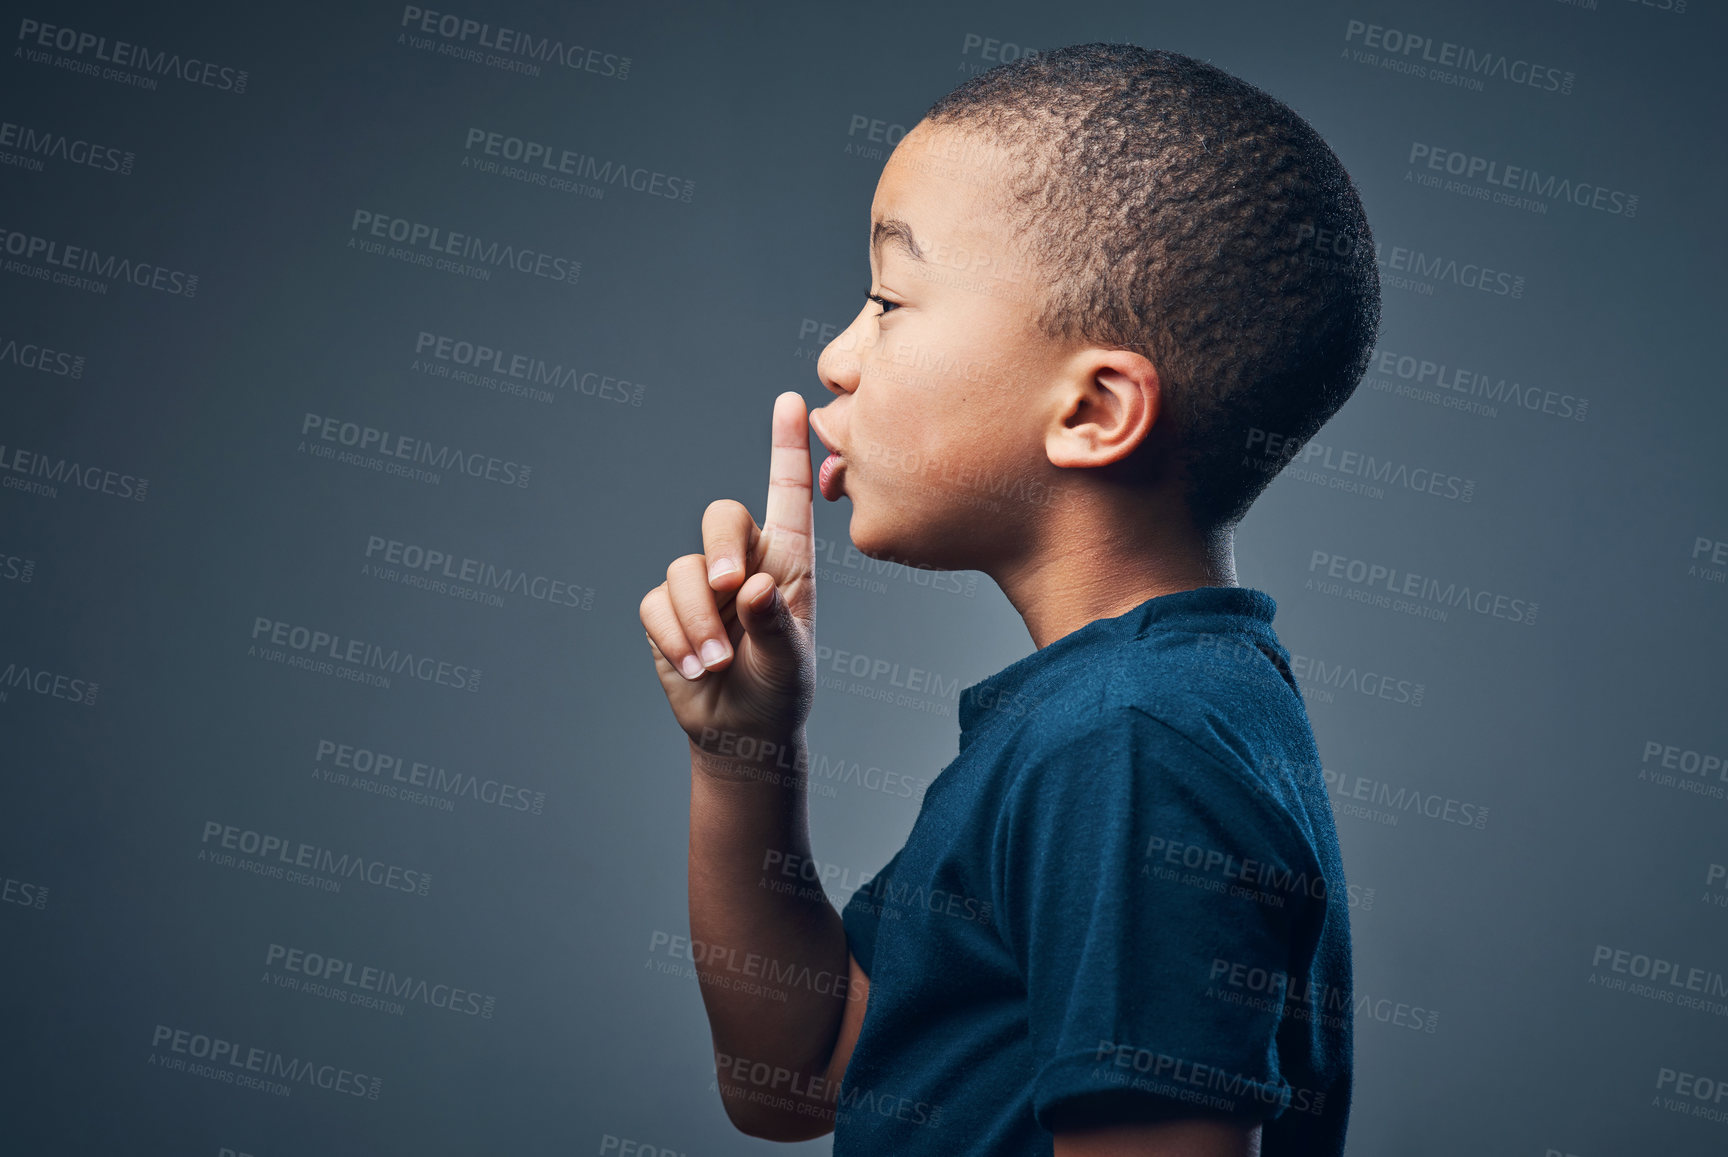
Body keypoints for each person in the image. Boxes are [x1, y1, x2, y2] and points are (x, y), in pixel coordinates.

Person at [638, 42, 1379, 1156]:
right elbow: (799, 1072)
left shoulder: (1132, 742)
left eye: (891, 298)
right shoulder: (1125, 708)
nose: (839, 354)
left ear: (1091, 410)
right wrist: (744, 752)